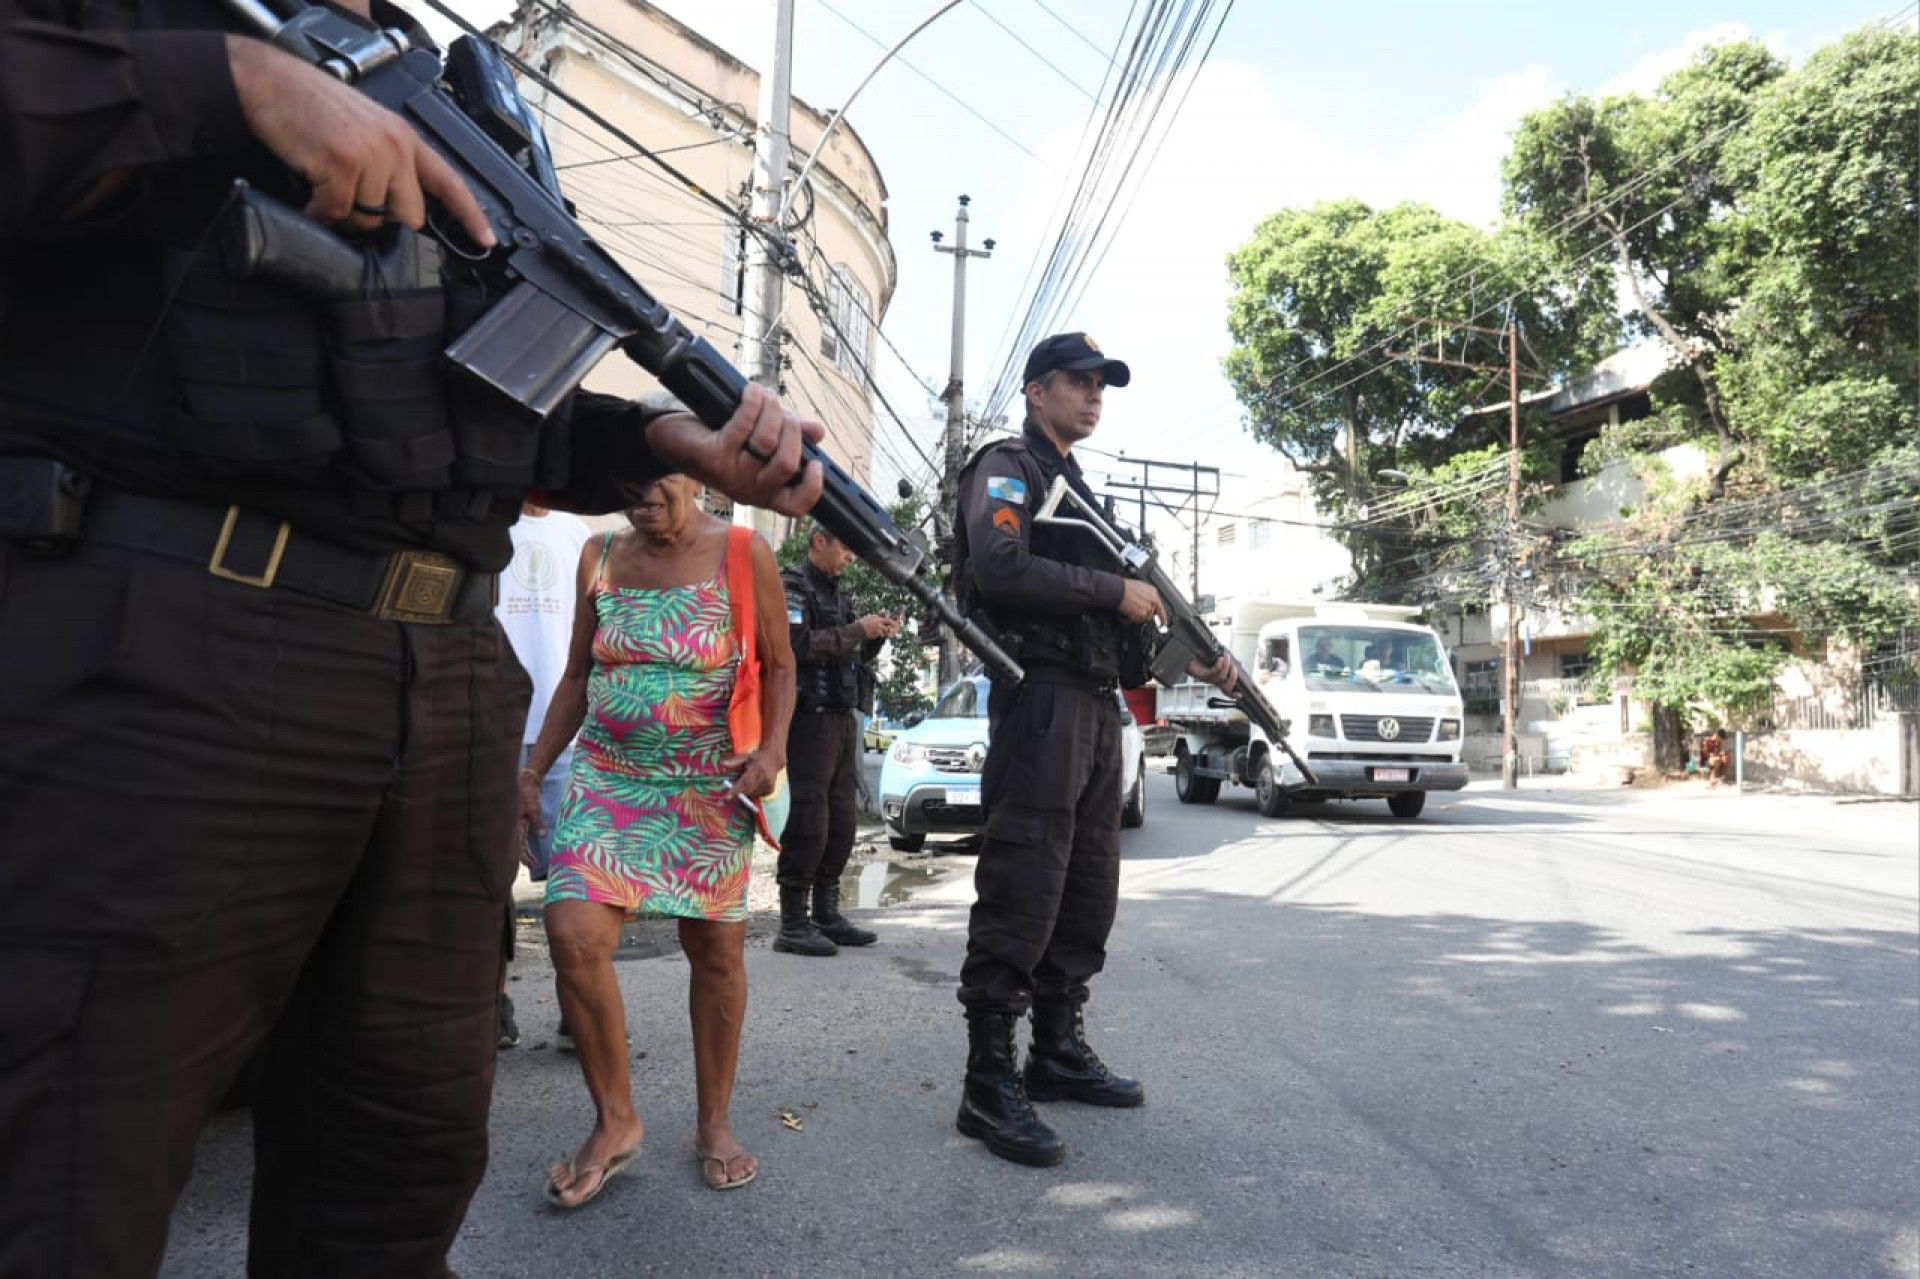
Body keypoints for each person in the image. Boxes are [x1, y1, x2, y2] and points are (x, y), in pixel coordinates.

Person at [0, 2, 827, 1269]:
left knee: (400, 1161)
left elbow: (488, 407)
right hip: (173, 648)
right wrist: (222, 84)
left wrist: (662, 440)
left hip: (439, 676)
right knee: (70, 1174)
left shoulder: (453, 91)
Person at [950, 332, 1235, 1167]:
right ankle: (986, 1080)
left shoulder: (1081, 493)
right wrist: (1118, 589)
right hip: (1037, 698)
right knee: (1025, 878)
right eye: (1077, 382)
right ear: (1036, 391)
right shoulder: (1009, 467)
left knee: (1085, 884)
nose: (1093, 395)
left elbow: (1123, 632)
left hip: (1095, 704)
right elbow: (999, 566)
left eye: (1100, 384)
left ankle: (1057, 1050)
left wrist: (1190, 651)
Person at [525, 477, 794, 1205]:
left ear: (694, 475)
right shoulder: (598, 553)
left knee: (715, 950)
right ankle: (615, 1120)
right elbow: (578, 674)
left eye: (657, 475)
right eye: (624, 478)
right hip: (608, 778)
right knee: (572, 931)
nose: (640, 491)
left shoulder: (744, 551)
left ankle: (714, 1123)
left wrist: (770, 751)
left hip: (710, 781)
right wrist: (534, 767)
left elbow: (779, 666)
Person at [773, 522, 898, 956]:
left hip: (844, 719)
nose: (850, 557)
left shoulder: (839, 591)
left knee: (843, 822)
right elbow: (794, 644)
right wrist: (856, 631)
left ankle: (826, 913)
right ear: (818, 541)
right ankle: (792, 922)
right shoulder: (791, 585)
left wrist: (875, 634)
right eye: (845, 546)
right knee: (809, 819)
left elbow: (851, 650)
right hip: (807, 720)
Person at [494, 502, 592, 1048]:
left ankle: (577, 1004)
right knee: (489, 880)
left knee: (573, 881)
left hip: (563, 735)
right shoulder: (491, 520)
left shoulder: (578, 533)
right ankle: (493, 1005)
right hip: (492, 725)